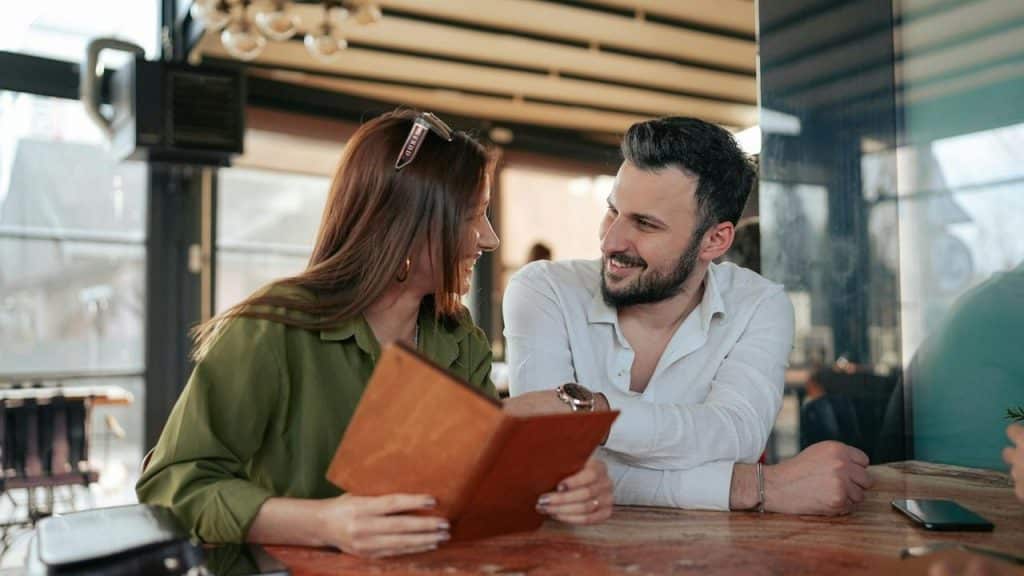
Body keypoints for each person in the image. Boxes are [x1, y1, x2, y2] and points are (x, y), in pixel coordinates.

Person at [136, 110, 613, 559]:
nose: (488, 238)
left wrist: (560, 484)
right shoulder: (271, 328)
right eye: (472, 215)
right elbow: (172, 485)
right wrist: (325, 523)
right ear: (403, 224)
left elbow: (471, 477)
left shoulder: (459, 336)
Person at [503, 116, 872, 515]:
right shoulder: (544, 291)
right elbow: (546, 464)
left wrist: (593, 413)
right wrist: (748, 486)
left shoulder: (758, 306)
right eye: (613, 211)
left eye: (645, 224)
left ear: (715, 240)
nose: (610, 241)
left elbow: (736, 436)